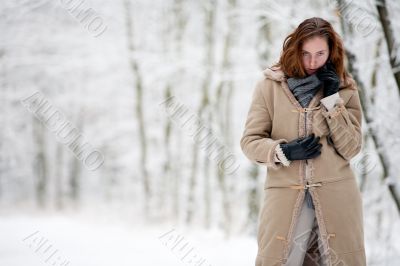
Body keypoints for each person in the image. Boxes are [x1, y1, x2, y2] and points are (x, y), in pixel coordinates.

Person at [240, 17, 366, 266]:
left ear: (331, 52)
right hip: (284, 198)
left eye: (320, 53)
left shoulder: (345, 88)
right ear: (294, 49)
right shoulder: (269, 87)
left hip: (338, 197)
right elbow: (250, 141)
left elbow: (351, 147)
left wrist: (332, 99)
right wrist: (282, 151)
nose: (312, 62)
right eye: (305, 53)